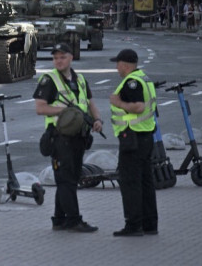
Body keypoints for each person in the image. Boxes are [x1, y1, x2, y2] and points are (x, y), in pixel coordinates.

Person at [34, 43, 103, 233]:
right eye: (55, 58)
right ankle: (73, 220)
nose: (58, 61)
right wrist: (66, 111)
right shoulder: (49, 80)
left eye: (62, 57)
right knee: (66, 181)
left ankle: (59, 219)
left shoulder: (80, 79)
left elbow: (90, 103)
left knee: (70, 179)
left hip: (78, 137)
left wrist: (97, 120)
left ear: (71, 58)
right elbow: (40, 108)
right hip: (59, 137)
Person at [109, 49, 158, 237]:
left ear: (125, 64)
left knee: (130, 182)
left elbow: (138, 106)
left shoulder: (132, 82)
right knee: (146, 181)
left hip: (133, 137)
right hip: (145, 136)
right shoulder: (144, 78)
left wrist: (118, 103)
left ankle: (133, 224)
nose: (116, 67)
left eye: (118, 63)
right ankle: (149, 224)